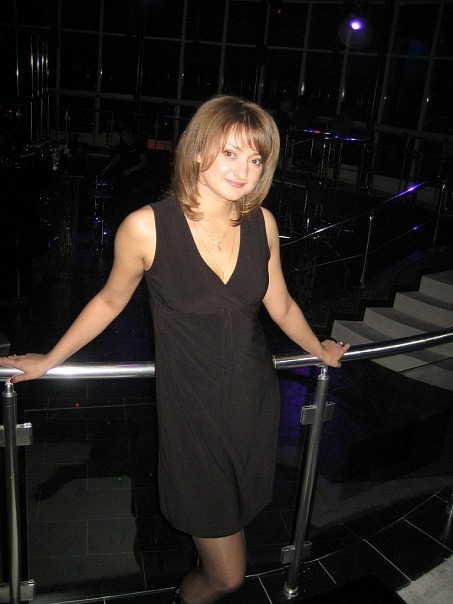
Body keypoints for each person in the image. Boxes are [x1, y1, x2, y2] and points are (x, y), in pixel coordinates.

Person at [0, 95, 349, 603]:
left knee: (238, 528)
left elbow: (282, 304)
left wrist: (320, 349)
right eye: (230, 152)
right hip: (193, 417)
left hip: (253, 405)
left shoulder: (263, 223)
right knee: (228, 574)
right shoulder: (147, 226)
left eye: (256, 159)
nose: (244, 170)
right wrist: (50, 359)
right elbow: (109, 301)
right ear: (198, 150)